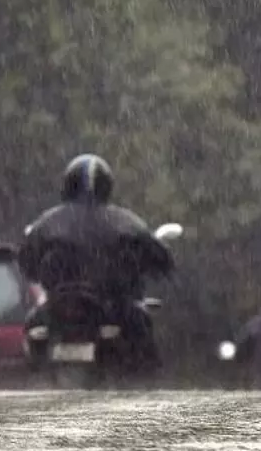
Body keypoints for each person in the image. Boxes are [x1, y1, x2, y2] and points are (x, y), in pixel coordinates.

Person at [17, 154, 174, 370]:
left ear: (68, 185)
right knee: (142, 329)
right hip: (111, 304)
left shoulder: (47, 222)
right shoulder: (125, 221)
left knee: (32, 327)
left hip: (62, 307)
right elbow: (160, 258)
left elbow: (26, 261)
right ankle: (144, 383)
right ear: (106, 185)